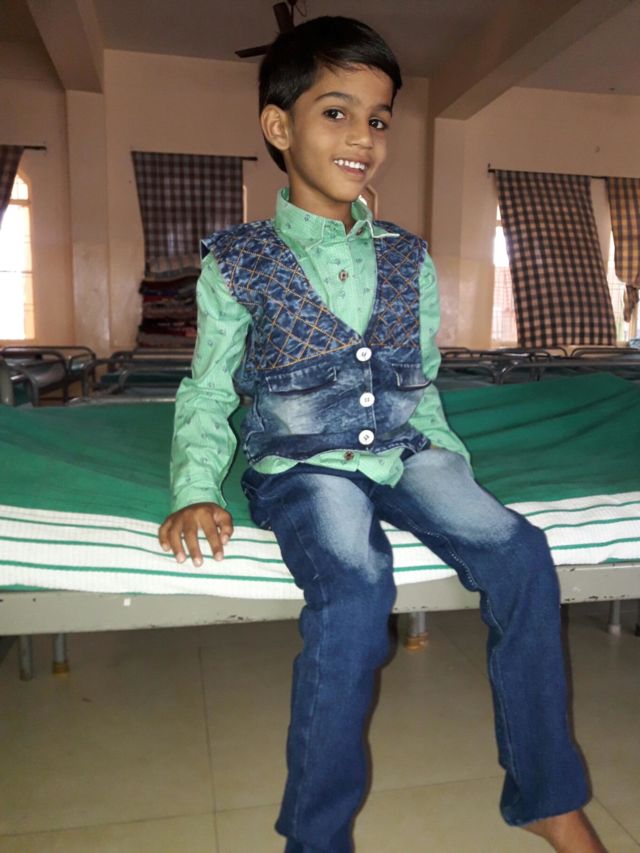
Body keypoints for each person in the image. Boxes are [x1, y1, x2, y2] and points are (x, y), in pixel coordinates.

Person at [159, 16, 606, 853]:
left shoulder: (409, 256)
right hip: (303, 464)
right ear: (278, 126)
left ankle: (547, 792)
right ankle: (317, 837)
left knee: (521, 552)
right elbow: (209, 389)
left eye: (378, 118)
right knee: (358, 588)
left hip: (403, 447)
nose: (363, 135)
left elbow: (419, 382)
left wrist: (451, 473)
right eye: (336, 113)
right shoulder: (237, 260)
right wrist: (192, 488)